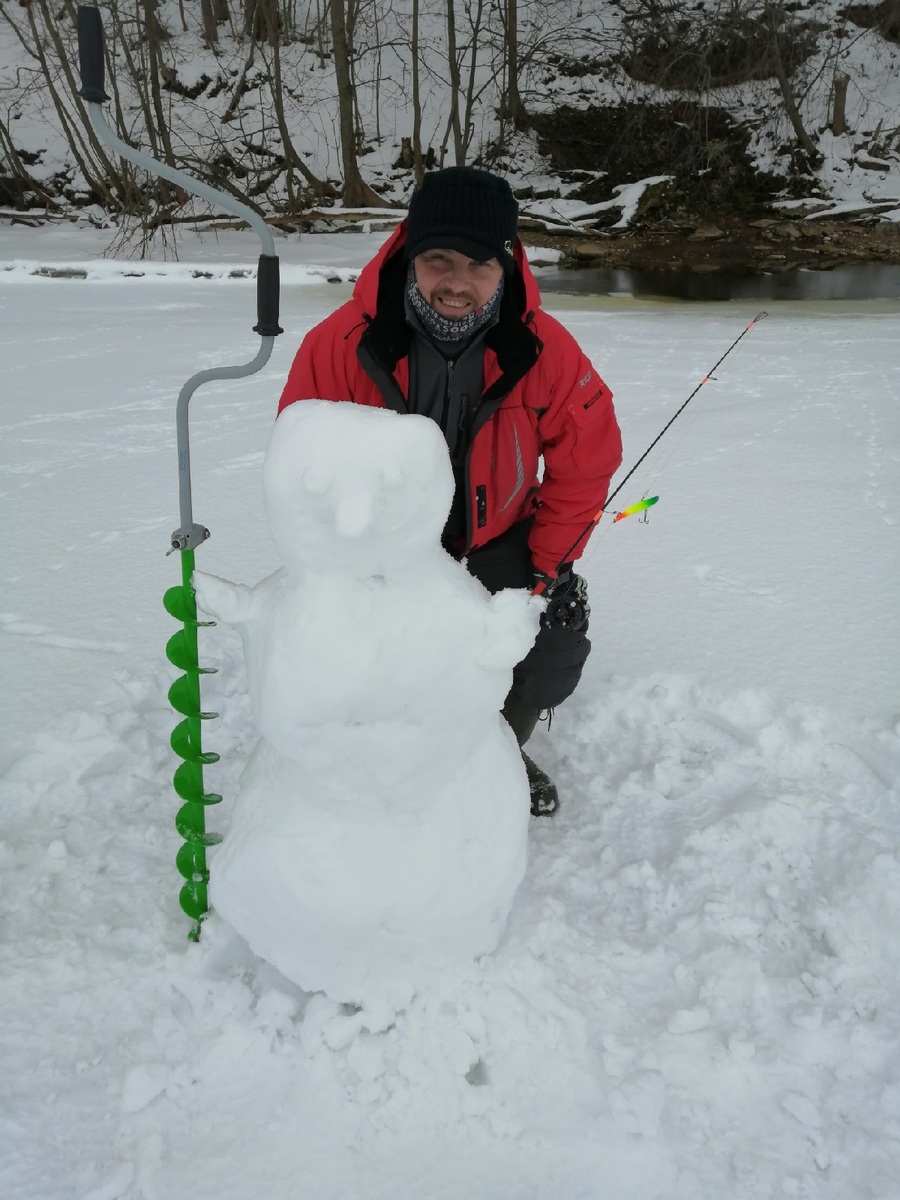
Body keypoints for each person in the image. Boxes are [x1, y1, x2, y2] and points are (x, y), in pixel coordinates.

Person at [278, 166, 623, 816]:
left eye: (479, 265)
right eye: (439, 260)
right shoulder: (340, 344)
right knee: (368, 659)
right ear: (410, 256)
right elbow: (299, 463)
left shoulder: (545, 349)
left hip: (500, 539)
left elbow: (587, 460)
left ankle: (494, 751)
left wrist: (551, 565)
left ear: (507, 266)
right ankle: (378, 762)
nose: (458, 283)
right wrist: (335, 558)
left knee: (551, 649)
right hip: (377, 550)